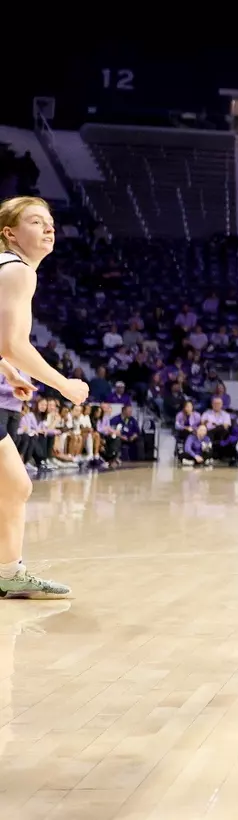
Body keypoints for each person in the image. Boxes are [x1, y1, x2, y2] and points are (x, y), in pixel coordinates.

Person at [0, 197, 82, 596]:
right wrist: (64, 384)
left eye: (50, 222)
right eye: (35, 221)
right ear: (10, 233)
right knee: (14, 485)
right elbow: (13, 343)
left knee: (14, 486)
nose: (48, 228)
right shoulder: (17, 271)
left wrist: (7, 371)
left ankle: (8, 572)